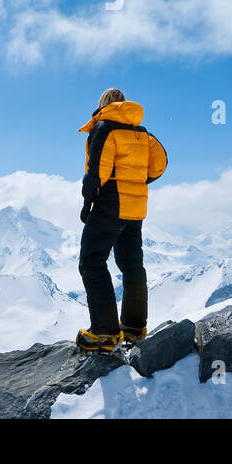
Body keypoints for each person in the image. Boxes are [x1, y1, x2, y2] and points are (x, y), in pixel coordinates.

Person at [76, 87, 168, 352]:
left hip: (110, 203)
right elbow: (159, 164)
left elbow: (97, 170)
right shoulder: (142, 133)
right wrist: (138, 182)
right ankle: (134, 327)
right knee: (131, 264)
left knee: (92, 262)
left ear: (104, 104)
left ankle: (104, 333)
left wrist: (87, 201)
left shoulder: (104, 128)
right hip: (136, 207)